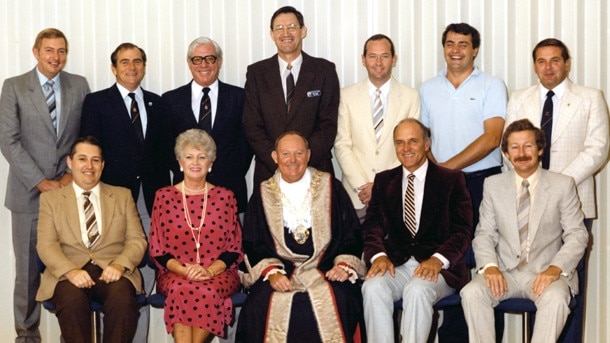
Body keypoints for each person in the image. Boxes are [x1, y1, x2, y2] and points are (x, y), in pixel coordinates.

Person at [505, 39, 609, 342]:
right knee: (534, 282)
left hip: (574, 201)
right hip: (526, 204)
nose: (547, 67)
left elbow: (597, 149)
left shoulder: (590, 98)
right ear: (534, 64)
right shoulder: (519, 98)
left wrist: (555, 186)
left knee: (568, 283)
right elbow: (510, 146)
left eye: (554, 60)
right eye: (541, 61)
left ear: (567, 63)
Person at [460, 119, 589, 343]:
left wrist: (554, 269)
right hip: (504, 272)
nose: (521, 153)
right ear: (507, 154)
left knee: (557, 298)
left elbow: (577, 234)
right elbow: (484, 234)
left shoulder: (563, 185)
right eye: (514, 147)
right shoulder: (493, 185)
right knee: (471, 293)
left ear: (540, 149)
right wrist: (489, 267)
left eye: (528, 146)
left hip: (545, 272)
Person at [0, 28, 90, 342]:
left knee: (69, 268)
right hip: (27, 196)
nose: (56, 57)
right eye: (49, 50)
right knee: (26, 275)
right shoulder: (13, 87)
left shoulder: (79, 85)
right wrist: (41, 182)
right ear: (36, 51)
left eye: (61, 51)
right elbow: (8, 142)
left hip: (68, 193)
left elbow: (82, 138)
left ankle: (71, 336)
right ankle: (26, 335)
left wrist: (67, 179)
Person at [419, 23, 507, 340]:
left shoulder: (492, 85)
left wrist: (446, 169)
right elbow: (422, 140)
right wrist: (438, 174)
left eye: (464, 44)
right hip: (441, 184)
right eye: (450, 43)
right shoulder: (427, 88)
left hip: (483, 182)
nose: (456, 49)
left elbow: (493, 137)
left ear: (475, 50)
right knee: (452, 260)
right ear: (444, 48)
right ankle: (453, 336)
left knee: (484, 259)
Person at [80, 42, 172, 342]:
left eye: (137, 61)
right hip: (112, 202)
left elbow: (165, 155)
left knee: (143, 276)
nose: (131, 67)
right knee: (115, 276)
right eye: (124, 62)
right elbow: (90, 155)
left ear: (144, 66)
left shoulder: (158, 104)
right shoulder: (96, 103)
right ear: (113, 68)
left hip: (151, 202)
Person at [236, 131, 365, 343]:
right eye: (285, 154)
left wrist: (343, 266)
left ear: (308, 155)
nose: (292, 160)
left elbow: (351, 234)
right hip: (280, 270)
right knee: (259, 304)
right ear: (275, 157)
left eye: (299, 153)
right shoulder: (262, 193)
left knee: (342, 298)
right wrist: (272, 273)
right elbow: (253, 243)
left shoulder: (331, 186)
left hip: (326, 269)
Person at [361, 118, 473, 343]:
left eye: (413, 141)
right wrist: (379, 257)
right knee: (372, 288)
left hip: (439, 269)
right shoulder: (384, 181)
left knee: (417, 291)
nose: (406, 148)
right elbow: (372, 226)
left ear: (427, 144)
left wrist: (437, 260)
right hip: (398, 264)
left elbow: (462, 230)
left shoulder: (451, 180)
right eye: (400, 143)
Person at [36, 136, 147, 343]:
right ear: (70, 162)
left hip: (112, 270)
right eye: (82, 159)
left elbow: (137, 240)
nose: (89, 166)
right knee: (71, 302)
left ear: (103, 165)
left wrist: (120, 266)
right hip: (70, 271)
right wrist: (70, 270)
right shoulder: (50, 200)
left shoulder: (122, 195)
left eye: (95, 160)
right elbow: (46, 244)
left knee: (123, 302)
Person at [149, 129, 243, 343]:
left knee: (206, 290)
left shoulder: (225, 196)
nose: (195, 162)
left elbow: (233, 248)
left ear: (210, 163)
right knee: (183, 288)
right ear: (180, 162)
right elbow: (158, 249)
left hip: (219, 273)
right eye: (189, 156)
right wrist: (184, 271)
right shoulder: (163, 197)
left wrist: (209, 271)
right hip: (175, 273)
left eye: (202, 157)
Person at [242, 6, 340, 187]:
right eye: (279, 28)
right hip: (269, 171)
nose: (285, 33)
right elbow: (252, 125)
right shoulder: (256, 73)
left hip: (315, 169)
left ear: (303, 31)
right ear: (272, 34)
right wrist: (279, 159)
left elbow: (328, 124)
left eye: (292, 27)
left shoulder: (324, 70)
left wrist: (302, 160)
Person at [163, 36, 252, 215]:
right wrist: (189, 173)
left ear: (219, 61)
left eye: (210, 58)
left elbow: (246, 145)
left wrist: (229, 171)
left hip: (230, 190)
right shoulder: (170, 101)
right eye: (197, 59)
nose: (204, 65)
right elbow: (166, 147)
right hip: (185, 192)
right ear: (189, 63)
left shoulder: (240, 98)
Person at [334, 34, 420, 220]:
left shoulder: (411, 96)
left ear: (394, 59)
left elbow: (411, 149)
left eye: (385, 56)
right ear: (363, 60)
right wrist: (362, 185)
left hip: (396, 194)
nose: (378, 62)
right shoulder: (346, 96)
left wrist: (381, 186)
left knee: (394, 249)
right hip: (357, 196)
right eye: (372, 56)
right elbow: (342, 145)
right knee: (354, 249)